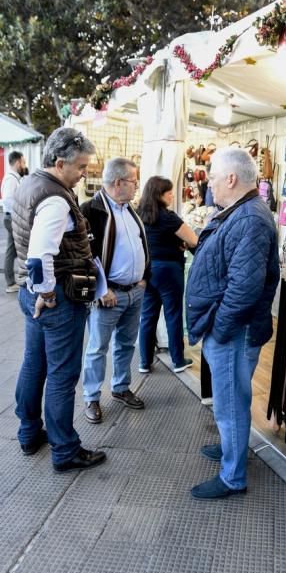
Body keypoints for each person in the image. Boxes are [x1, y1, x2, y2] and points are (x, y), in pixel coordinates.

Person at [186, 147, 279, 499]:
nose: (208, 182)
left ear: (231, 178)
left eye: (212, 176)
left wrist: (220, 329)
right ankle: (232, 448)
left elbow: (244, 288)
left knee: (230, 404)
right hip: (231, 328)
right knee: (230, 400)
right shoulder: (241, 212)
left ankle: (232, 476)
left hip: (235, 331)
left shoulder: (250, 218)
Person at [12, 127, 106, 472]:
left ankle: (28, 432)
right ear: (60, 162)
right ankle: (65, 450)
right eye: (81, 167)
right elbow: (40, 254)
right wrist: (47, 293)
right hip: (57, 299)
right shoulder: (54, 198)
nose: (84, 174)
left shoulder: (30, 183)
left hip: (31, 292)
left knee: (34, 364)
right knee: (63, 376)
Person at [80, 158, 150, 424]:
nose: (136, 186)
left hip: (135, 292)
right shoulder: (90, 210)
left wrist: (144, 278)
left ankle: (120, 388)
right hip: (108, 296)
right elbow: (83, 255)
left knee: (126, 344)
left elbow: (144, 246)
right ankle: (91, 397)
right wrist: (100, 289)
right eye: (134, 181)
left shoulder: (130, 210)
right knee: (98, 347)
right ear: (119, 182)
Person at [138, 176, 198, 374]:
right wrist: (181, 244)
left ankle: (144, 362)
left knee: (148, 316)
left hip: (146, 270)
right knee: (173, 315)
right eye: (169, 192)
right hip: (169, 270)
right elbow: (194, 240)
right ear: (159, 194)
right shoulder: (169, 217)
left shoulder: (139, 215)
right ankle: (178, 360)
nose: (172, 195)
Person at [2, 150, 27, 292]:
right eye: (23, 162)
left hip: (12, 217)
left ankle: (12, 281)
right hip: (12, 217)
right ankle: (12, 282)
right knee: (16, 249)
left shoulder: (14, 178)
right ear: (17, 162)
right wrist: (21, 211)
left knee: (13, 250)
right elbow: (8, 199)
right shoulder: (11, 179)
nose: (24, 165)